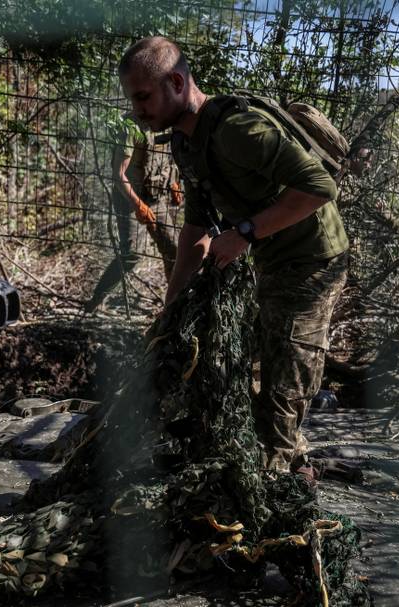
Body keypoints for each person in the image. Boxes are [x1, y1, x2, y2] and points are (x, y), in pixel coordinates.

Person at [118, 37, 349, 472]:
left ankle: (281, 481)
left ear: (177, 82)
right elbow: (196, 229)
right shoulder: (186, 144)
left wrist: (245, 232)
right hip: (271, 258)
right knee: (234, 360)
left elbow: (321, 188)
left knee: (285, 384)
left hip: (314, 259)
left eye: (144, 97)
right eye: (133, 99)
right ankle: (291, 460)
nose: (137, 110)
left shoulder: (238, 132)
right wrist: (172, 309)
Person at [84, 114, 182, 313]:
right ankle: (94, 303)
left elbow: (168, 155)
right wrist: (138, 205)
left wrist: (174, 182)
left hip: (156, 197)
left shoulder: (167, 117)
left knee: (174, 250)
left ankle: (174, 309)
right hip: (129, 198)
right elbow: (118, 175)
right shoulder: (131, 126)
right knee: (131, 255)